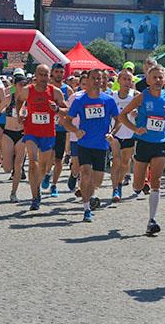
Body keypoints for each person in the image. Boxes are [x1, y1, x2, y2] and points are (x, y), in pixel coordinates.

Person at [119, 64, 165, 234]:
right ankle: (137, 186)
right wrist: (135, 128)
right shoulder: (142, 97)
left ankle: (151, 220)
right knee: (138, 185)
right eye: (155, 77)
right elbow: (122, 115)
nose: (158, 80)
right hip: (143, 143)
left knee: (156, 181)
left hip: (159, 143)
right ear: (148, 80)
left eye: (161, 77)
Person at [64, 68, 120, 222]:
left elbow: (118, 120)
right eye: (93, 78)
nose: (96, 81)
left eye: (99, 78)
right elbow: (67, 121)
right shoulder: (80, 101)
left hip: (101, 145)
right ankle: (86, 208)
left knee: (97, 181)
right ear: (87, 81)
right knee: (86, 174)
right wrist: (76, 130)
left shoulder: (108, 100)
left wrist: (112, 133)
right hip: (84, 144)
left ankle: (89, 195)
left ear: (103, 81)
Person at [15, 64, 64, 211]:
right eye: (41, 75)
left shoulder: (55, 92)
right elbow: (18, 101)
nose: (43, 78)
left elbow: (66, 109)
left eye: (46, 75)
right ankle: (35, 197)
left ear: (49, 76)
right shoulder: (27, 90)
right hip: (31, 131)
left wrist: (57, 109)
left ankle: (38, 186)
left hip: (48, 133)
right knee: (33, 162)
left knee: (42, 167)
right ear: (36, 76)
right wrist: (20, 113)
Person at [0, 72, 28, 202]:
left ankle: (13, 193)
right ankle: (7, 159)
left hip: (22, 134)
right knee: (7, 168)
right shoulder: (9, 98)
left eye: (25, 85)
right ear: (15, 85)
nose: (23, 87)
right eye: (20, 84)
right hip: (8, 133)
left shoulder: (28, 100)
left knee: (18, 166)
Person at [109, 70, 138, 203]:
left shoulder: (135, 96)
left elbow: (144, 112)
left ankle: (119, 183)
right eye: (124, 79)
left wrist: (137, 113)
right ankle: (115, 188)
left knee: (125, 163)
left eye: (129, 80)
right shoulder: (112, 96)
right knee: (116, 160)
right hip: (115, 133)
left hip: (130, 133)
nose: (127, 82)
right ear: (119, 81)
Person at [45, 62, 69, 197]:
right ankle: (47, 173)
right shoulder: (45, 88)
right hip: (45, 128)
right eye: (57, 72)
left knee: (59, 159)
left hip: (60, 129)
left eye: (61, 72)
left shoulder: (67, 90)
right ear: (52, 73)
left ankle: (54, 185)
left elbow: (70, 110)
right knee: (48, 156)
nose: (59, 74)